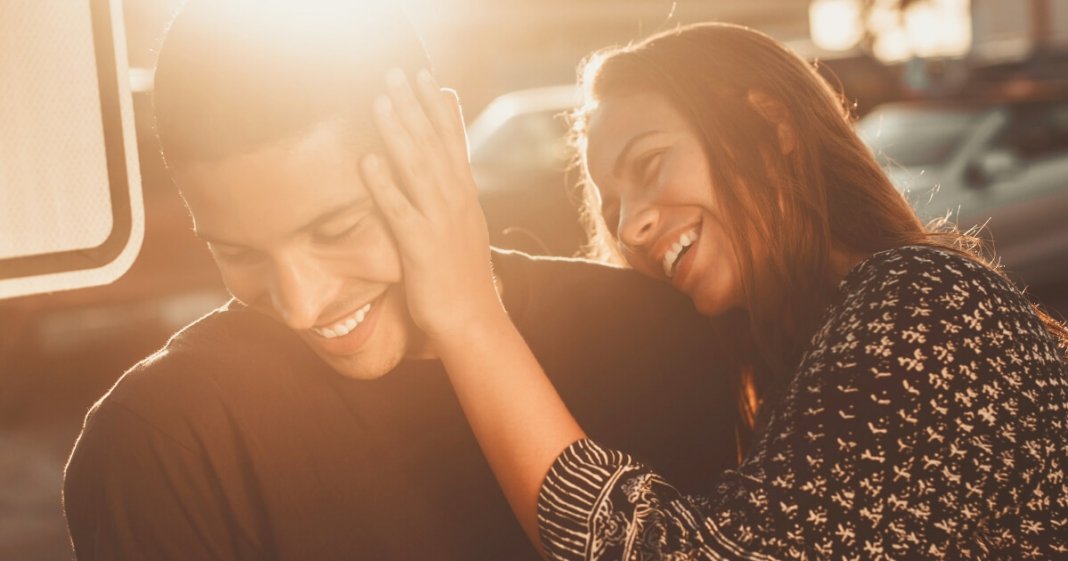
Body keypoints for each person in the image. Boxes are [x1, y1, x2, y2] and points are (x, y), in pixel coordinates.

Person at [61, 4, 751, 560]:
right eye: (237, 251)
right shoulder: (160, 442)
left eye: (338, 229)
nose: (301, 304)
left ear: (441, 141)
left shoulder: (652, 339)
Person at [362, 23, 1068, 560]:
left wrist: (468, 314)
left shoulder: (925, 305)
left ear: (771, 125)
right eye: (610, 210)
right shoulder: (801, 363)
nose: (631, 225)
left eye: (650, 163)